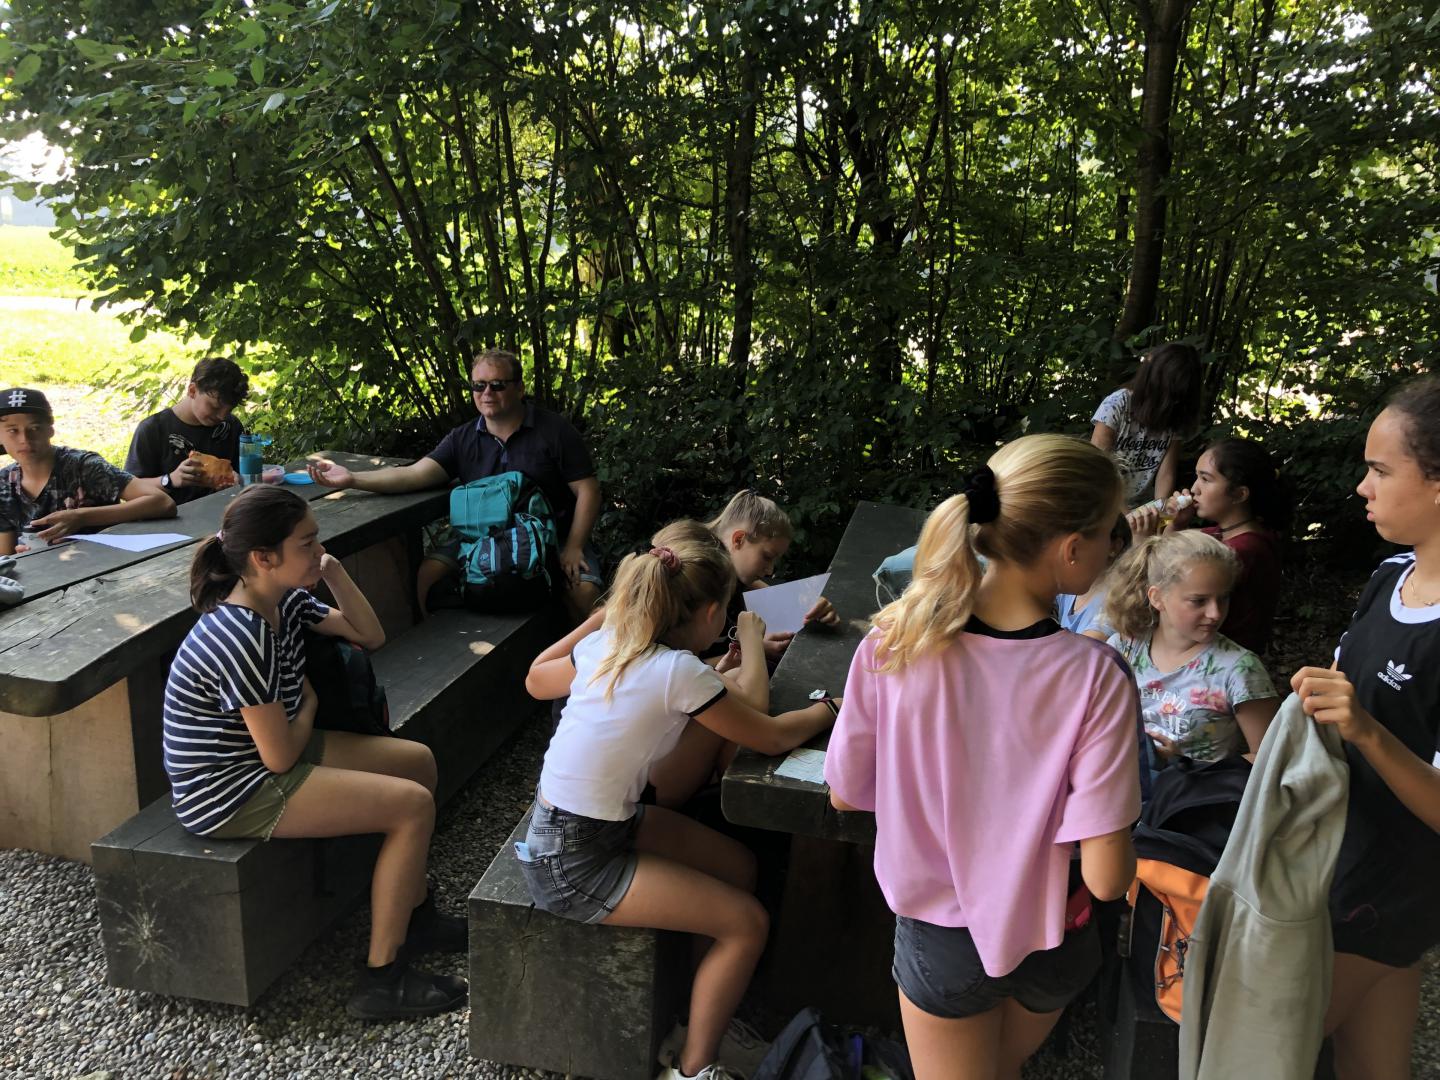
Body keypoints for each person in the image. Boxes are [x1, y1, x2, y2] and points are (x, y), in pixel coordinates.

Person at [824, 434, 1142, 1080]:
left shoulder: (893, 645)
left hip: (942, 938)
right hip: (1055, 935)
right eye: (1112, 531)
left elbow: (845, 792)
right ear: (1071, 549)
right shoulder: (1097, 676)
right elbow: (1109, 879)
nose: (1116, 547)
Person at [518, 520, 838, 1080]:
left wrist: (605, 621)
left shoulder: (610, 644)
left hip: (578, 825)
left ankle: (700, 1014)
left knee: (738, 867)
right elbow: (769, 733)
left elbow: (540, 680)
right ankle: (693, 1067)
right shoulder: (675, 671)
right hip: (571, 862)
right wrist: (832, 707)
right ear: (712, 612)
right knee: (748, 924)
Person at [162, 485, 466, 1020]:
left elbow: (369, 635)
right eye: (307, 543)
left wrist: (331, 569)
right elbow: (279, 758)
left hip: (261, 753)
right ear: (263, 558)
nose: (319, 548)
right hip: (229, 790)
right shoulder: (241, 633)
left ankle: (415, 916)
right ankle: (383, 979)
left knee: (417, 761)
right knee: (412, 807)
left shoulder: (284, 599)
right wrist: (308, 704)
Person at [1291, 376, 1440, 1080]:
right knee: (1372, 1065)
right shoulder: (1389, 576)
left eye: (1380, 470)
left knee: (1258, 1049)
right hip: (1341, 865)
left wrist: (1368, 731)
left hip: (1381, 888)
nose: (1361, 487)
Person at [307, 349, 602, 620]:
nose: (487, 393)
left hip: (553, 535)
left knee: (584, 591)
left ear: (520, 388)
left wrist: (574, 546)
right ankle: (440, 652)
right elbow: (414, 474)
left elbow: (588, 490)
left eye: (497, 385)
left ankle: (584, 657)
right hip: (482, 538)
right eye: (479, 385)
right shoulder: (462, 438)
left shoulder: (554, 430)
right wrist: (353, 478)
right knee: (427, 575)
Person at [1104, 530, 1279, 764]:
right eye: (1199, 601)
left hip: (1197, 788)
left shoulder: (1240, 668)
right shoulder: (1122, 648)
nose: (1215, 613)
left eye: (1224, 598)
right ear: (1157, 597)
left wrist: (1185, 764)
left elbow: (1270, 758)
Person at [1129, 437, 1287, 653]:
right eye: (1197, 477)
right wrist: (1176, 524)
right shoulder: (1221, 534)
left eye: (1205, 479)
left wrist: (1141, 543)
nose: (1194, 489)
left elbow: (1158, 590)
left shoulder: (1244, 550)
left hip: (1217, 661)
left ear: (1239, 494)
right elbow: (1168, 559)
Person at [0, 387, 175, 555]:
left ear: (50, 429)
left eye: (34, 428)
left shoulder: (84, 466)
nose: (24, 439)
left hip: (109, 563)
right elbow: (5, 553)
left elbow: (162, 503)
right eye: (12, 431)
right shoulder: (4, 483)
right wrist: (20, 557)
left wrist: (82, 517)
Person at [702, 490, 839, 666]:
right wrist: (753, 651)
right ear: (739, 539)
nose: (770, 570)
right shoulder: (697, 587)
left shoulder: (733, 573)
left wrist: (806, 603)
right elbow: (678, 670)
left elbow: (762, 590)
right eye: (767, 557)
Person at [1090, 342, 1204, 507]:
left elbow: (1166, 474)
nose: (1176, 401)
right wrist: (1123, 513)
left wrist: (1160, 510)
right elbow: (1097, 469)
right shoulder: (1117, 404)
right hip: (1103, 500)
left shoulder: (1175, 416)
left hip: (1140, 506)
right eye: (1173, 394)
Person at [125, 356, 250, 505]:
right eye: (215, 407)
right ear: (192, 390)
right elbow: (129, 490)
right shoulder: (153, 429)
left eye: (229, 410)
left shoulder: (232, 426)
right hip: (170, 516)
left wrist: (236, 481)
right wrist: (170, 480)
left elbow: (246, 478)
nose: (222, 417)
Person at [1055, 513, 1132, 640]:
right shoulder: (1069, 587)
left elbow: (1083, 649)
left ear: (1113, 547)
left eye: (1082, 539)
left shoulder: (1117, 599)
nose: (1069, 549)